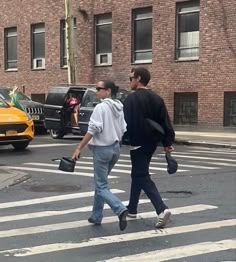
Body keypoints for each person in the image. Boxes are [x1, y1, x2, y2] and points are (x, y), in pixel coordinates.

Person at [72, 80, 128, 231]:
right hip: (115, 149)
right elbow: (123, 129)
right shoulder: (119, 107)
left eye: (99, 89)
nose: (96, 91)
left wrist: (79, 147)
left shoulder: (100, 108)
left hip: (102, 150)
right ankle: (96, 216)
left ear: (108, 91)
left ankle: (120, 209)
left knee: (101, 185)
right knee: (101, 183)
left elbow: (93, 130)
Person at [123, 67, 175, 229]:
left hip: (137, 142)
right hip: (151, 143)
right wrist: (167, 142)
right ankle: (132, 208)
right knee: (137, 173)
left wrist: (125, 139)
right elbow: (165, 122)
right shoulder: (157, 98)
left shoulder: (131, 99)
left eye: (131, 77)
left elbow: (126, 123)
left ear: (138, 79)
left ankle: (161, 209)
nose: (129, 80)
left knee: (141, 174)